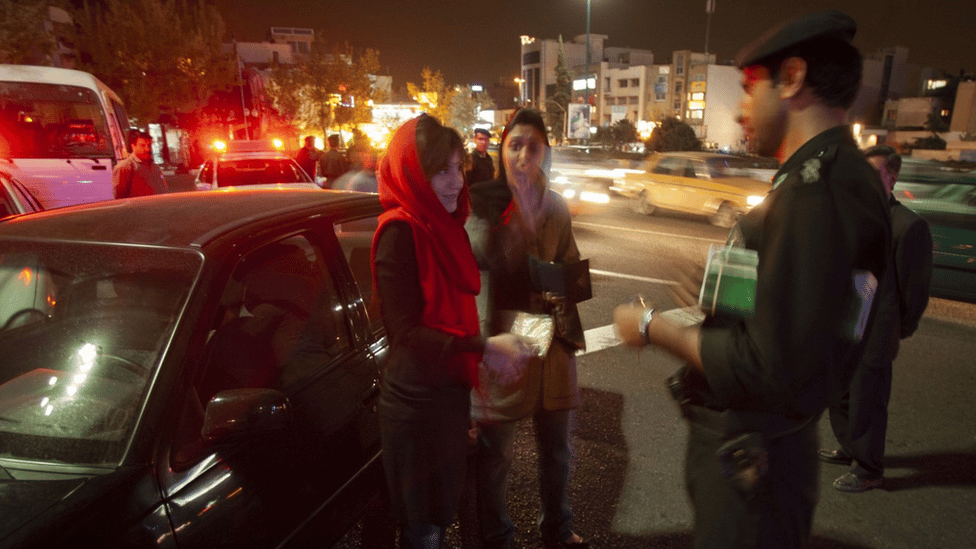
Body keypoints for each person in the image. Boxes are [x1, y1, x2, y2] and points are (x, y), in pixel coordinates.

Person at [612, 11, 891, 548]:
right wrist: (724, 297)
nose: (741, 109)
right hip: (769, 452)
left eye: (748, 87)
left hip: (756, 467)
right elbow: (812, 316)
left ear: (791, 78)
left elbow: (768, 365)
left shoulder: (817, 191)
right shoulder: (832, 176)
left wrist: (651, 327)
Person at [371, 114, 532, 549]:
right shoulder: (400, 232)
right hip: (416, 407)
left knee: (440, 516)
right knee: (423, 527)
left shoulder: (447, 227)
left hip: (447, 397)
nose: (456, 182)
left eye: (459, 168)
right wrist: (484, 348)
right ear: (412, 172)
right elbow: (406, 333)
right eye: (441, 170)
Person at [466, 108, 590, 549]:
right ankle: (496, 537)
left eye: (533, 147)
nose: (523, 157)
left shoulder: (555, 205)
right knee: (496, 457)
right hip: (504, 344)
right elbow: (474, 257)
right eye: (515, 145)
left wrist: (565, 282)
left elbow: (571, 263)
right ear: (502, 150)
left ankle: (557, 527)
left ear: (545, 153)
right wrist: (504, 229)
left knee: (557, 451)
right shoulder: (485, 200)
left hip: (551, 343)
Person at [820, 144, 933, 492]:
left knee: (868, 397)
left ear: (892, 176)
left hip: (880, 323)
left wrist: (900, 327)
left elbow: (915, 290)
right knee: (840, 390)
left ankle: (869, 468)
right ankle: (849, 447)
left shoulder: (908, 225)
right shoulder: (854, 215)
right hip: (849, 315)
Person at [112, 130, 168, 198]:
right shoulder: (125, 167)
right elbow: (119, 197)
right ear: (133, 146)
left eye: (149, 145)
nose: (148, 149)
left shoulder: (154, 166)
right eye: (143, 145)